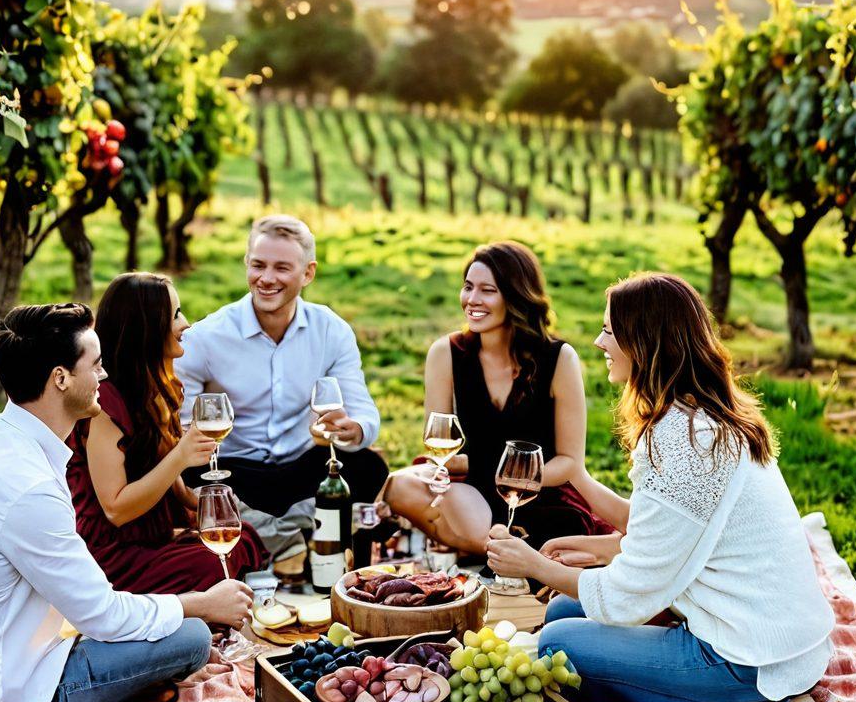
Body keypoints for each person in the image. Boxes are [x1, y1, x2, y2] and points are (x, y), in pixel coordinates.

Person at [485, 273, 835, 702]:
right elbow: (680, 532)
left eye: (609, 331)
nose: (598, 342)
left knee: (556, 643)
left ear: (643, 343)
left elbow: (630, 594)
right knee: (565, 611)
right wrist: (597, 532)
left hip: (744, 655)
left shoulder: (680, 442)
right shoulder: (709, 416)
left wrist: (532, 566)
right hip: (783, 639)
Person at [0, 304, 253, 702]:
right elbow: (102, 616)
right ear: (60, 378)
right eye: (95, 365)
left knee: (168, 623)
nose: (104, 376)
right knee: (192, 637)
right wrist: (204, 605)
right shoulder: (27, 488)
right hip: (8, 700)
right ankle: (116, 694)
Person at [174, 215, 389, 565]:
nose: (266, 278)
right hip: (234, 471)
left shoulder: (331, 331)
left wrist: (352, 429)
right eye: (258, 265)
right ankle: (307, 534)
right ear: (246, 264)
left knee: (368, 467)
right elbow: (181, 432)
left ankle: (267, 536)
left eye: (282, 268)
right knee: (192, 480)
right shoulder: (206, 337)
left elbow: (364, 414)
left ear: (308, 273)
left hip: (303, 467)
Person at [382, 241, 612, 555]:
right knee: (397, 485)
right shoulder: (446, 353)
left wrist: (499, 474)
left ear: (516, 296)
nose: (472, 300)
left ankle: (494, 549)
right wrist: (450, 469)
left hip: (538, 492)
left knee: (559, 531)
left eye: (487, 290)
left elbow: (569, 463)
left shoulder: (559, 358)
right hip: (473, 490)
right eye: (467, 287)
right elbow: (438, 446)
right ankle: (506, 549)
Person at [68, 272, 266, 593]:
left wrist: (200, 501)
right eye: (174, 314)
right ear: (145, 327)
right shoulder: (104, 405)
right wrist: (182, 455)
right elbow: (115, 509)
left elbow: (160, 465)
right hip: (112, 557)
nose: (186, 323)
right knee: (213, 563)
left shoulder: (154, 389)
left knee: (240, 538)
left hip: (151, 538)